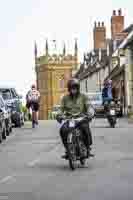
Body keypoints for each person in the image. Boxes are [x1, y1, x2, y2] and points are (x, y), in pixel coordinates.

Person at [56, 78, 94, 158]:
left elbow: (89, 106)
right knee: (63, 130)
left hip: (81, 118)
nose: (73, 90)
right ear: (69, 89)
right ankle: (68, 149)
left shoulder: (83, 97)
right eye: (71, 88)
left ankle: (87, 147)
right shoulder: (65, 98)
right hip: (70, 119)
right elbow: (61, 109)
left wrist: (90, 113)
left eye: (75, 88)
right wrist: (59, 115)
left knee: (85, 128)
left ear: (78, 88)